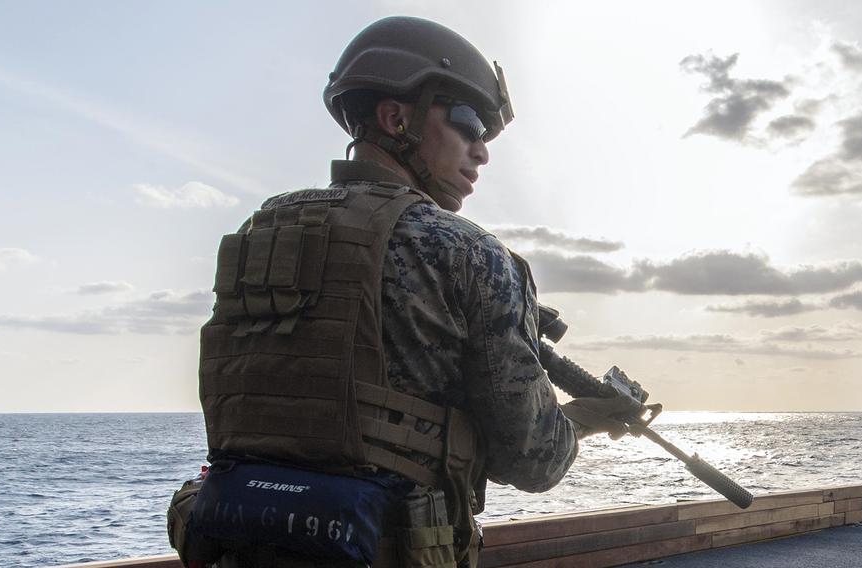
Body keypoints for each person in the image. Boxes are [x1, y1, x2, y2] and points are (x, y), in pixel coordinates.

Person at [171, 15, 630, 568]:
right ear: (395, 118)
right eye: (467, 122)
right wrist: (590, 416)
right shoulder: (472, 255)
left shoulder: (263, 228)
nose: (482, 150)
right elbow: (535, 460)